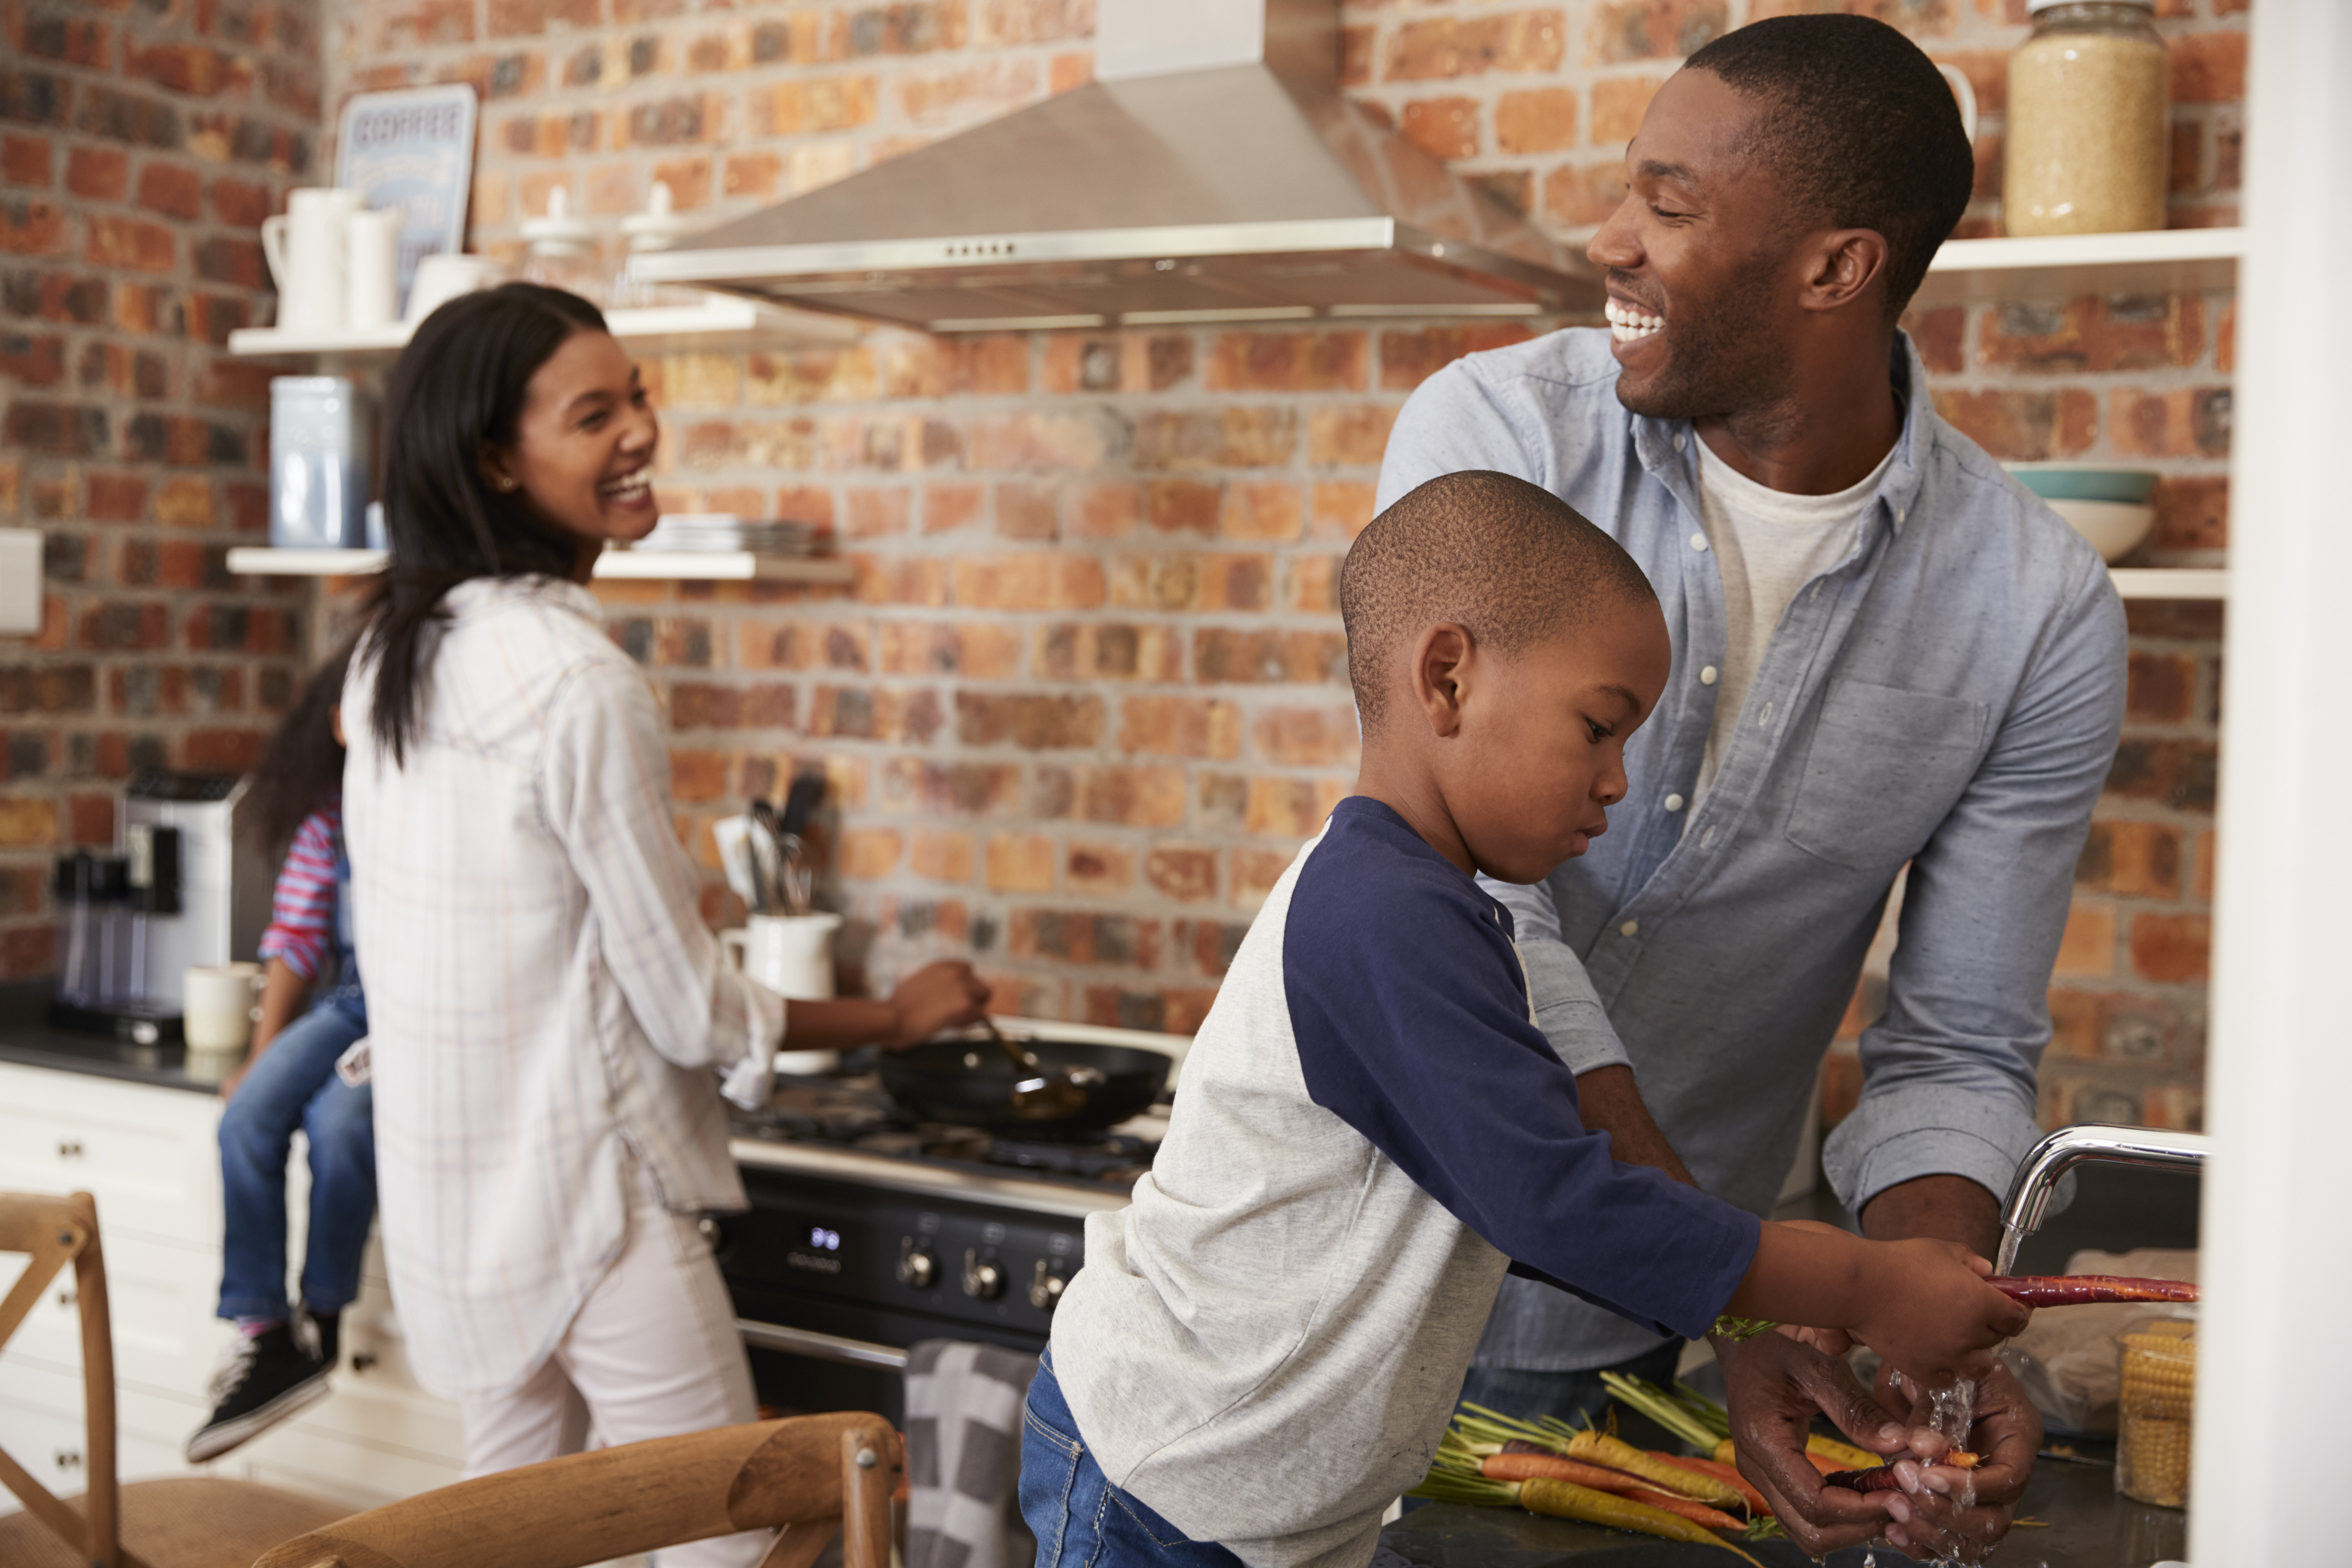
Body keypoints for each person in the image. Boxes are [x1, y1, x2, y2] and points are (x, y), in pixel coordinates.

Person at [1374, 14, 2127, 1561]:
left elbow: (1958, 1042)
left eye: (1667, 202)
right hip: (1375, 1301)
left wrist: (1919, 1325)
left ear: (1836, 268)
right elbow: (1472, 908)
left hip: (1683, 1355)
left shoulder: (2036, 608)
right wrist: (1739, 1277)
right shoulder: (1500, 442)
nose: (1609, 239)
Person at [1019, 470, 2031, 1568]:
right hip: (1165, 1482)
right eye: (1599, 728)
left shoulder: (1436, 910)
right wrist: (1865, 1282)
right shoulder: (1381, 914)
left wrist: (1754, 1317)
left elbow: (1534, 1183)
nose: (1617, 782)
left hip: (1260, 1499)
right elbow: (1557, 1203)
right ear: (1446, 677)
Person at [339, 283, 991, 1568]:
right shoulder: (581, 680)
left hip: (456, 1208)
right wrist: (895, 1014)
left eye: (638, 394)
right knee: (744, 1538)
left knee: (506, 1546)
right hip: (591, 1204)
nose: (640, 430)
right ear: (495, 459)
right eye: (596, 414)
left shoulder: (392, 661)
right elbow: (688, 1006)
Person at [187, 647, 376, 1463]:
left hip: (417, 1014)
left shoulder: (434, 813)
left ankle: (323, 1319)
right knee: (247, 1119)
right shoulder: (330, 821)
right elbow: (296, 941)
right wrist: (259, 1061)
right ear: (339, 722)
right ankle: (265, 1331)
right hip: (353, 1002)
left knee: (341, 1124)